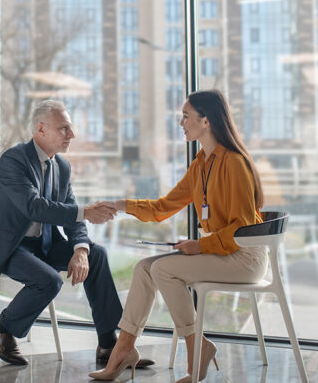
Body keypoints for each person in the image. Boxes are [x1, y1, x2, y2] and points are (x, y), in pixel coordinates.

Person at [88, 89, 266, 382]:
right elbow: (163, 207)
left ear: (206, 120)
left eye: (186, 116)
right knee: (144, 268)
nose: (181, 123)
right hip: (222, 252)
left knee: (164, 268)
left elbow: (242, 229)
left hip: (245, 257)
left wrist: (200, 245)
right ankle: (124, 349)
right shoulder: (201, 164)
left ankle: (196, 348)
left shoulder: (234, 163)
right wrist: (119, 205)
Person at [0, 100, 154, 369]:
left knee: (98, 255)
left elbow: (71, 212)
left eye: (70, 128)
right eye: (64, 128)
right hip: (9, 246)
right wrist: (86, 212)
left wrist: (80, 249)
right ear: (41, 129)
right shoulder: (13, 160)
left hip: (43, 244)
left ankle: (109, 345)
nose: (72, 135)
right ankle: (2, 328)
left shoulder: (62, 167)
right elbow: (34, 207)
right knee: (48, 281)